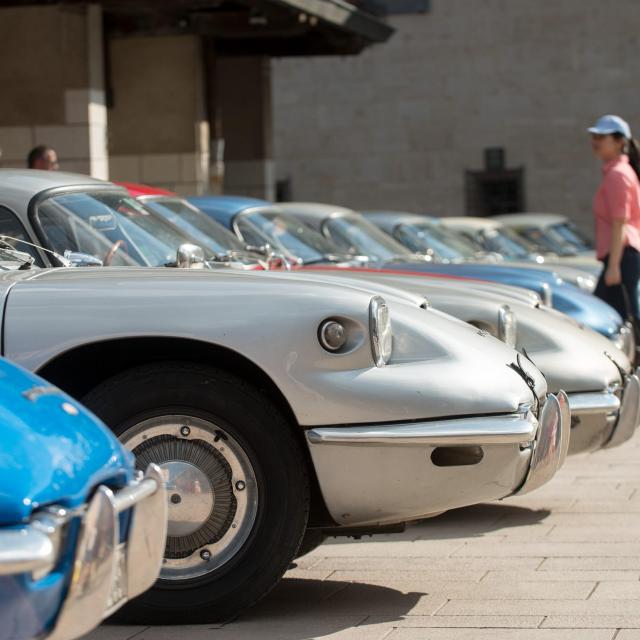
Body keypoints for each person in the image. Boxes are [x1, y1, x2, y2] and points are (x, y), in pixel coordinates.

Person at [589, 114, 640, 324]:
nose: (595, 142)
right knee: (624, 317)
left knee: (610, 317)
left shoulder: (617, 174)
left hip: (621, 257)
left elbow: (620, 221)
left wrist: (613, 267)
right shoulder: (621, 171)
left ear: (620, 142)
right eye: (595, 137)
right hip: (624, 256)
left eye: (602, 137)